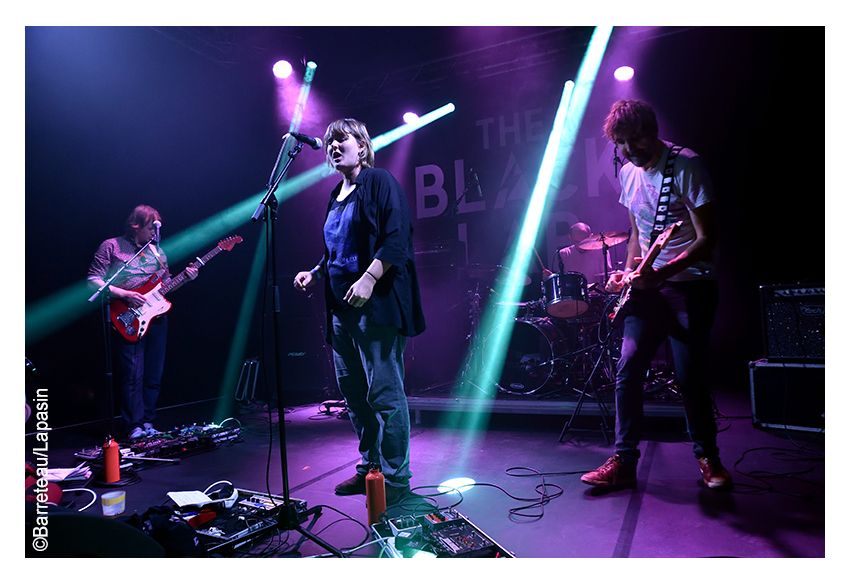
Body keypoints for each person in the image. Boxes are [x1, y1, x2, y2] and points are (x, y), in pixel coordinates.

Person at [580, 100, 732, 490]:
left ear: (653, 130)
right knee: (628, 370)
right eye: (621, 144)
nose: (629, 150)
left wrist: (661, 272)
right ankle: (624, 461)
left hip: (690, 286)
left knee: (688, 376)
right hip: (647, 290)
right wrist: (630, 274)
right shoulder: (629, 174)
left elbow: (707, 238)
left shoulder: (686, 165)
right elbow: (637, 235)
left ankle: (708, 459)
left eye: (635, 140)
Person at [294, 118, 426, 504]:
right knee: (354, 396)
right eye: (330, 142)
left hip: (375, 308)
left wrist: (369, 279)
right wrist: (316, 271)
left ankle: (397, 480)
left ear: (362, 146)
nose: (334, 146)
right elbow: (336, 250)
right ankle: (370, 470)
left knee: (384, 394)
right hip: (340, 312)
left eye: (342, 140)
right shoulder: (336, 194)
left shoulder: (379, 181)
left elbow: (396, 236)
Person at [88, 205, 197, 440]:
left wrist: (186, 279)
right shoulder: (112, 246)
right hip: (126, 315)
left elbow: (166, 284)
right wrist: (124, 294)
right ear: (135, 226)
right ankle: (133, 425)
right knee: (132, 374)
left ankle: (147, 420)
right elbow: (93, 280)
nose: (154, 234)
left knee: (153, 374)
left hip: (156, 317)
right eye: (150, 228)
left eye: (157, 229)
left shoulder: (158, 252)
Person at [543, 222, 612, 285]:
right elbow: (562, 282)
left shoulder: (600, 250)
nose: (581, 245)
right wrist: (551, 278)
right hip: (575, 295)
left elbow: (608, 276)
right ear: (571, 238)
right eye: (577, 242)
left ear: (591, 236)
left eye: (584, 241)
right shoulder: (564, 254)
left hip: (597, 294)